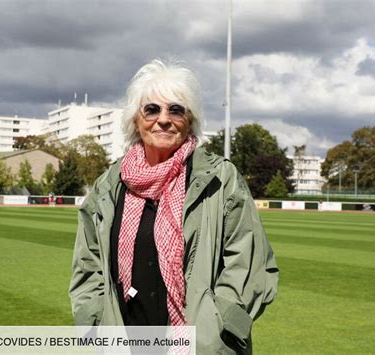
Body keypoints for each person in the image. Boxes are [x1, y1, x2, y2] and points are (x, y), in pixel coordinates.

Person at [69, 59, 279, 354]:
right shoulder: (109, 184)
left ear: (190, 120)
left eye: (176, 109)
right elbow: (87, 264)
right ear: (135, 120)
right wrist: (93, 321)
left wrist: (218, 326)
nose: (164, 119)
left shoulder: (220, 178)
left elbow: (248, 259)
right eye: (151, 109)